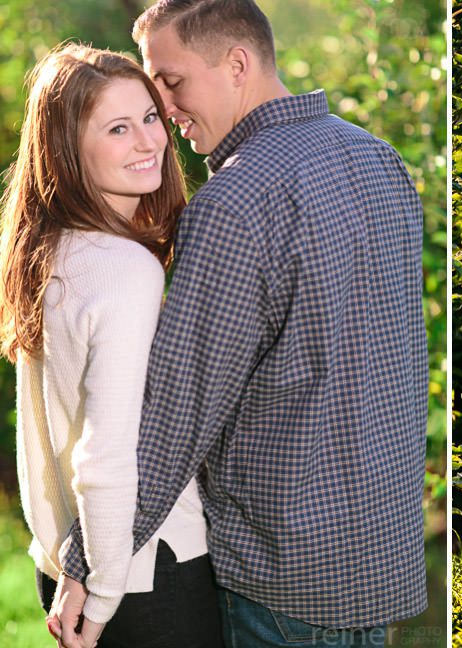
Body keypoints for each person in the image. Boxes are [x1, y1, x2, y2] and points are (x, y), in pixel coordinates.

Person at [51, 1, 429, 646]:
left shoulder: (236, 199)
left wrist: (87, 560)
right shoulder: (380, 159)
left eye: (172, 81)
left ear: (236, 64)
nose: (164, 106)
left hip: (281, 578)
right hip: (377, 561)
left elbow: (179, 410)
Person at [0, 43, 222, 648]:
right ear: (66, 150)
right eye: (118, 128)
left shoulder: (48, 252)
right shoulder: (125, 269)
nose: (150, 142)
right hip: (143, 572)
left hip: (64, 560)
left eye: (150, 117)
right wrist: (102, 591)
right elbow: (105, 454)